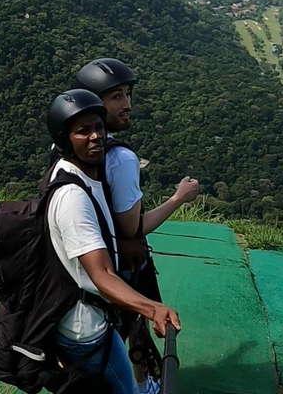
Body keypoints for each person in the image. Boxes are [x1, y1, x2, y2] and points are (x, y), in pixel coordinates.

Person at [75, 59, 199, 393]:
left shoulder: (67, 146)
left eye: (127, 94)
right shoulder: (121, 159)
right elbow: (134, 229)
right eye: (115, 97)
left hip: (77, 262)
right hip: (112, 268)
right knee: (129, 330)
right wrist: (178, 198)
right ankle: (141, 387)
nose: (127, 104)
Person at [46, 89, 181, 394]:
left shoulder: (82, 176)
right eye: (83, 131)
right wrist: (151, 308)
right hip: (86, 330)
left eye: (98, 128)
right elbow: (101, 274)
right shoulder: (72, 197)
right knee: (128, 391)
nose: (95, 137)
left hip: (90, 318)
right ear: (65, 139)